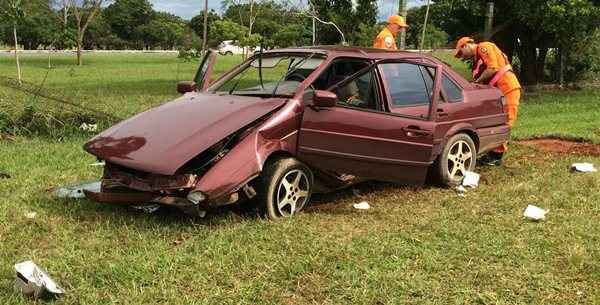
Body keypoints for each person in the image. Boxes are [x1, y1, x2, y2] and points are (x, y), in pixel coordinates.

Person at [454, 37, 521, 166]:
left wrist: (476, 83)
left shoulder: (484, 47)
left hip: (507, 88)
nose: (462, 57)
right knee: (496, 121)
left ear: (466, 45)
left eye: (461, 53)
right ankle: (493, 151)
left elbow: (493, 68)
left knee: (506, 121)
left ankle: (496, 156)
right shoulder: (476, 61)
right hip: (497, 93)